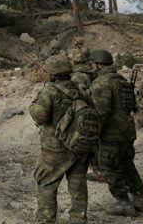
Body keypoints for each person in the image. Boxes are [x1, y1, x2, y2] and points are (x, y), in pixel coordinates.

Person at [89, 49, 143, 216]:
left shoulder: (101, 83)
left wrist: (92, 132)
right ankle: (142, 198)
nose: (91, 66)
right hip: (127, 131)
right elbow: (133, 107)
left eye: (92, 64)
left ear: (98, 65)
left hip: (111, 134)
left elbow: (101, 112)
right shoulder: (123, 82)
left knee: (110, 167)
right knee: (127, 165)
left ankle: (122, 201)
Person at [29, 55, 88, 224]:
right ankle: (79, 219)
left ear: (52, 74)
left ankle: (46, 220)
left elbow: (40, 116)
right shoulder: (80, 89)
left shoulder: (50, 91)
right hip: (78, 147)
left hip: (55, 149)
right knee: (78, 188)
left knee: (47, 185)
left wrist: (32, 104)